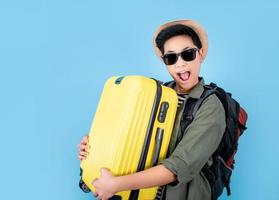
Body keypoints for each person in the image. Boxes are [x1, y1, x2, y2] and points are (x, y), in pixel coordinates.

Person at [78, 19, 226, 200]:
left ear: (200, 54)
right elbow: (125, 137)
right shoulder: (153, 95)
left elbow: (178, 167)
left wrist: (116, 184)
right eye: (171, 57)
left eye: (187, 54)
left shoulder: (211, 107)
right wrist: (91, 150)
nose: (180, 64)